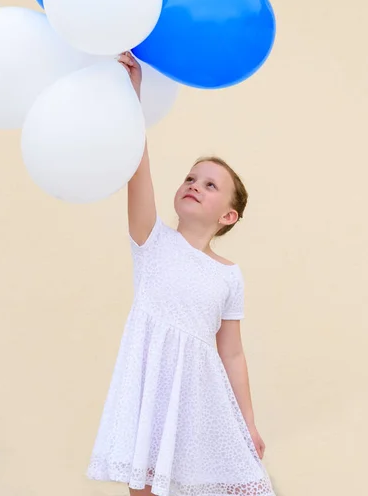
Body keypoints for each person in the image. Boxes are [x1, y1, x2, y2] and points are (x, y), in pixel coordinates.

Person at [86, 52, 275, 496]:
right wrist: (134, 97)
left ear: (228, 216)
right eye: (191, 177)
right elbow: (138, 169)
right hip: (151, 388)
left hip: (198, 399)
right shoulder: (152, 240)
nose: (194, 184)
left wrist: (247, 423)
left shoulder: (229, 276)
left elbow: (231, 354)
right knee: (145, 488)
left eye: (209, 185)